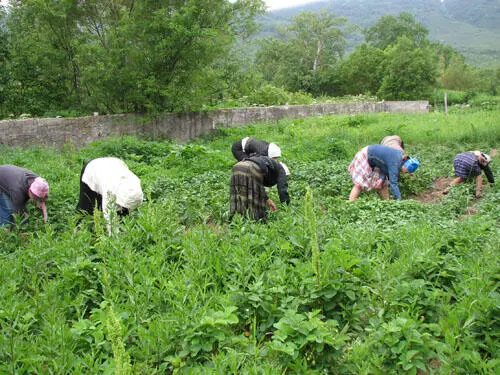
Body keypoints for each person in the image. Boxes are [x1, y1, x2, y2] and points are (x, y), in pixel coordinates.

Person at [77, 157, 143, 233]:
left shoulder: (134, 184)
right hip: (93, 169)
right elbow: (109, 216)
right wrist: (114, 236)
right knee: (87, 207)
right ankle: (79, 230)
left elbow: (132, 204)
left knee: (123, 213)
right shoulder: (110, 189)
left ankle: (121, 229)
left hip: (115, 163)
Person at [348, 144, 419, 201]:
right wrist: (399, 201)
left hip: (374, 161)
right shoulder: (395, 163)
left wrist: (381, 178)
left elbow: (384, 166)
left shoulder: (401, 157)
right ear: (406, 166)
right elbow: (393, 184)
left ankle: (387, 202)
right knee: (359, 184)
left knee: (384, 183)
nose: (405, 173)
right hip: (365, 155)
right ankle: (351, 202)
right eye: (407, 172)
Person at [230, 155, 290, 221]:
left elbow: (259, 187)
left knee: (238, 193)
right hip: (251, 168)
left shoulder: (270, 166)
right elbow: (282, 190)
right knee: (257, 198)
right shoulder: (281, 170)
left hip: (237, 166)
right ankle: (257, 220)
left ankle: (236, 218)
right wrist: (286, 206)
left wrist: (268, 200)